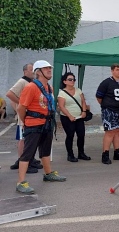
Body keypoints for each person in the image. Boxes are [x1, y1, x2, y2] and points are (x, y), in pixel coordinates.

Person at [15, 60, 66, 194]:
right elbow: (21, 107)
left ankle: (48, 174)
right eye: (46, 68)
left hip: (47, 123)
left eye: (50, 68)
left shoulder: (49, 88)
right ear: (38, 72)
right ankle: (21, 182)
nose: (50, 70)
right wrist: (26, 121)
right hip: (33, 124)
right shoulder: (31, 87)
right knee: (28, 153)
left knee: (45, 150)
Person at [6, 63, 41, 173]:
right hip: (24, 115)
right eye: (31, 70)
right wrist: (22, 104)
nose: (33, 72)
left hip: (30, 114)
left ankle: (29, 158)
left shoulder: (32, 82)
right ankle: (23, 161)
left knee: (30, 138)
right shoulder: (22, 81)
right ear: (25, 71)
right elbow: (10, 94)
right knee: (23, 138)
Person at [96, 63, 119, 164]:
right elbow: (98, 96)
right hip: (109, 110)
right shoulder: (106, 83)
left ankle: (117, 152)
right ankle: (105, 154)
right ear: (112, 71)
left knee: (118, 131)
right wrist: (106, 106)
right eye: (117, 69)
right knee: (110, 132)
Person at [57, 72, 91, 162]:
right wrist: (70, 116)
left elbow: (83, 101)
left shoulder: (78, 90)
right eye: (70, 79)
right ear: (65, 81)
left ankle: (81, 153)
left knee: (81, 135)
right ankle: (70, 154)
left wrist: (84, 111)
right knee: (70, 135)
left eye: (73, 79)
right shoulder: (62, 93)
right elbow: (61, 106)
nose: (72, 81)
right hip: (67, 118)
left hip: (79, 117)